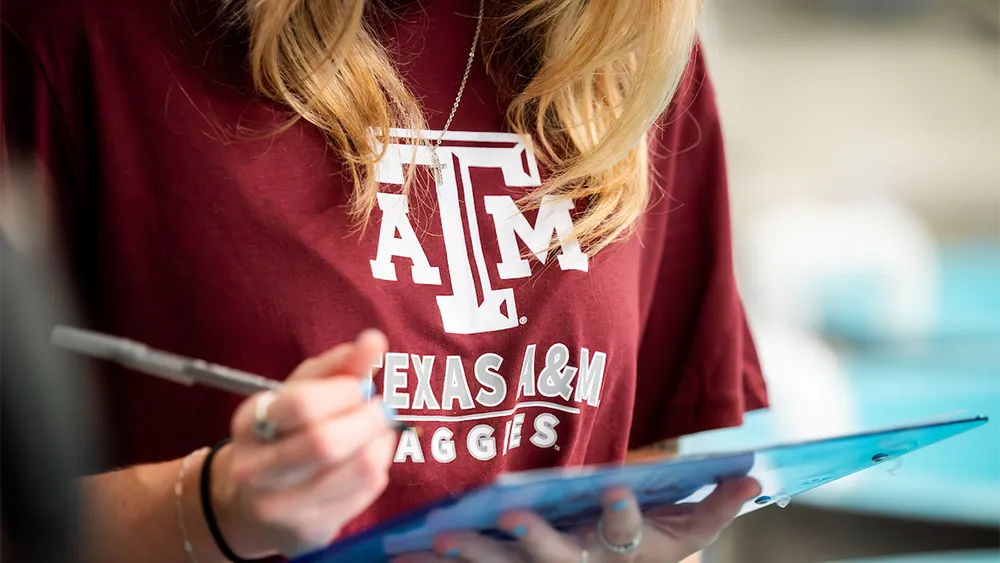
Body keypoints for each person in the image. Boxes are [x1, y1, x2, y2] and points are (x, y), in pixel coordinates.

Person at [0, 0, 769, 561]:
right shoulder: (72, 34)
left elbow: (639, 472)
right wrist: (212, 505)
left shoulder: (626, 56)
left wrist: (620, 553)